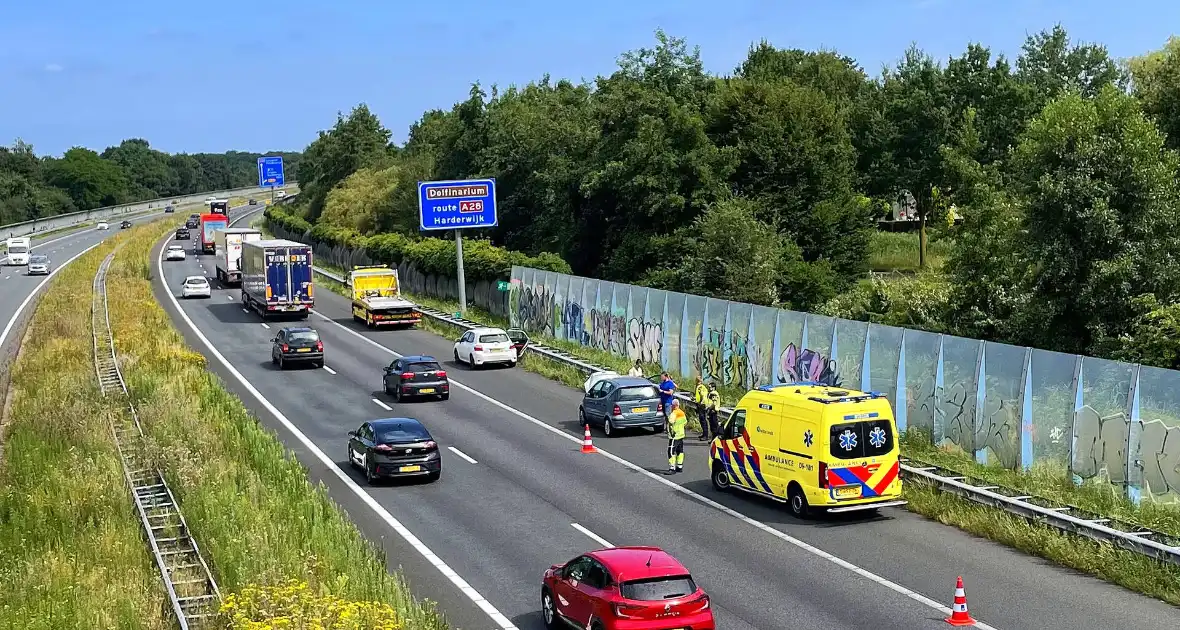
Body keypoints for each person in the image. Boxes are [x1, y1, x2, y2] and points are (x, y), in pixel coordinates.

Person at [665, 399, 687, 474]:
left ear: (673, 406)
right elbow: (685, 422)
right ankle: (679, 466)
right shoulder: (682, 412)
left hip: (674, 435)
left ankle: (672, 468)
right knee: (680, 451)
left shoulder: (674, 413)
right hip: (681, 435)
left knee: (671, 452)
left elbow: (671, 422)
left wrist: (671, 430)